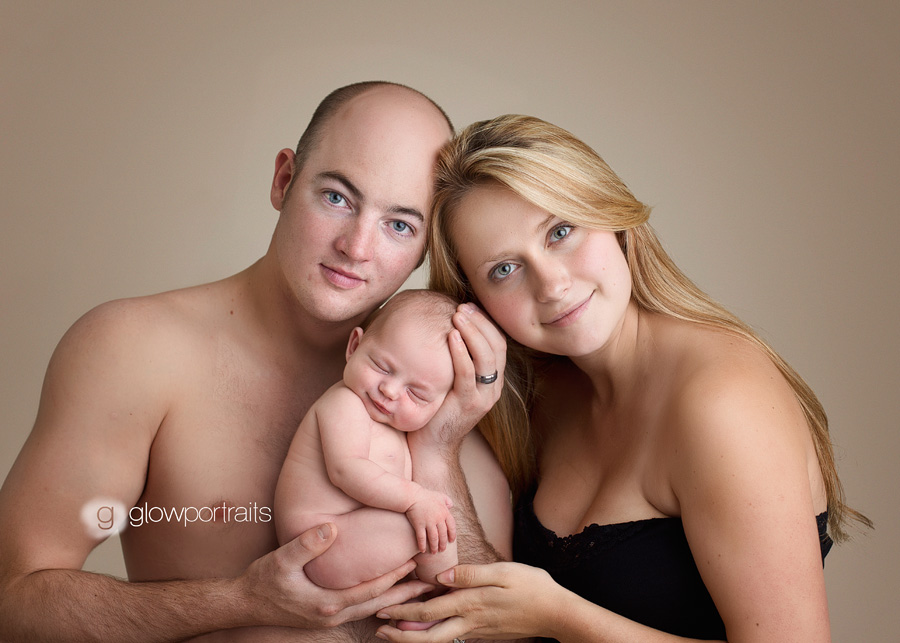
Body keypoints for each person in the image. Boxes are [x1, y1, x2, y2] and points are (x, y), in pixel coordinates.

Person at [0, 82, 515, 643]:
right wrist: (241, 600)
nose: (357, 246)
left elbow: (502, 630)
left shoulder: (448, 378)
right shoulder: (136, 351)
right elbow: (13, 600)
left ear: (423, 249)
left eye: (399, 225)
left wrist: (436, 449)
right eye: (337, 197)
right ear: (284, 180)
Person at [375, 114, 872, 642]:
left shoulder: (721, 402)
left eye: (561, 232)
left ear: (611, 218)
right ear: (476, 304)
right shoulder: (543, 394)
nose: (552, 284)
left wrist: (559, 617)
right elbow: (480, 601)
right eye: (504, 269)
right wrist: (443, 437)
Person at [276, 289, 462, 589]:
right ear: (355, 346)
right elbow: (346, 470)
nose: (389, 390)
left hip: (355, 537)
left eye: (416, 394)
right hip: (320, 543)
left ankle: (437, 599)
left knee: (438, 522)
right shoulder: (343, 403)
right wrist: (416, 498)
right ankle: (443, 599)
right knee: (423, 524)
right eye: (382, 367)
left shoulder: (399, 428)